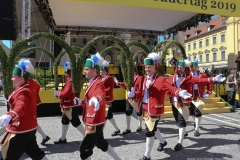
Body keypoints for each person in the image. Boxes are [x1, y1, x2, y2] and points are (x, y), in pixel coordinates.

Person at [129, 53, 192, 160]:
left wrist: (178, 92)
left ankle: (146, 156)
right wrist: (133, 94)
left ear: (154, 67)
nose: (147, 69)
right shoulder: (142, 79)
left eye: (149, 67)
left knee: (149, 131)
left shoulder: (160, 79)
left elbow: (169, 88)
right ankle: (163, 142)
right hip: (145, 108)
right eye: (146, 67)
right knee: (153, 128)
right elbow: (140, 93)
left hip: (155, 109)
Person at [167, 60, 226, 151]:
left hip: (184, 103)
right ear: (176, 68)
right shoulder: (171, 78)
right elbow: (167, 88)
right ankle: (184, 133)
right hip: (174, 102)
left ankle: (180, 142)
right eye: (178, 67)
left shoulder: (188, 77)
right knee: (178, 121)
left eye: (181, 68)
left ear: (184, 68)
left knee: (182, 121)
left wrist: (213, 79)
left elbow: (199, 80)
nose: (179, 69)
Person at [0, 59, 48, 160]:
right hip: (28, 129)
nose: (11, 79)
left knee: (6, 156)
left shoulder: (24, 92)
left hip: (20, 130)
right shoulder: (25, 87)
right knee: (37, 154)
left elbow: (20, 106)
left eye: (14, 76)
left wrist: (11, 114)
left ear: (21, 78)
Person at [80, 53, 121, 160]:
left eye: (87, 69)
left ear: (94, 70)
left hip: (95, 120)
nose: (85, 71)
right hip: (95, 118)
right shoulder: (92, 81)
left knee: (84, 150)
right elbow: (90, 98)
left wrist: (96, 99)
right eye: (85, 69)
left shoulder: (98, 82)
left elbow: (100, 94)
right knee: (101, 143)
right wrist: (80, 101)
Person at [54, 62, 85, 144]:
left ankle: (87, 136)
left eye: (65, 72)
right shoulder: (71, 80)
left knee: (75, 121)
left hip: (71, 104)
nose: (64, 74)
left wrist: (58, 94)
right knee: (65, 120)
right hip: (70, 104)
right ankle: (63, 138)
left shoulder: (70, 81)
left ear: (67, 73)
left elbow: (66, 93)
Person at [115, 64, 144, 135]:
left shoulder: (140, 78)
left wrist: (135, 93)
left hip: (136, 97)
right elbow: (126, 84)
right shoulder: (129, 79)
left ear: (134, 71)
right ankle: (128, 128)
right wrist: (118, 83)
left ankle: (140, 126)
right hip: (129, 97)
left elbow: (141, 89)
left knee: (139, 112)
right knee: (128, 111)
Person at [189, 59, 213, 137]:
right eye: (192, 67)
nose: (193, 68)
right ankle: (196, 123)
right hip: (190, 96)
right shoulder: (187, 75)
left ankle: (197, 130)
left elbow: (210, 82)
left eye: (195, 67)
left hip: (199, 95)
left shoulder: (203, 75)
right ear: (190, 68)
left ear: (197, 67)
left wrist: (208, 92)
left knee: (197, 112)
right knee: (191, 113)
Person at [99, 60, 121, 136]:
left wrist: (101, 91)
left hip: (108, 99)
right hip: (104, 99)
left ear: (105, 71)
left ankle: (100, 133)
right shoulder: (101, 78)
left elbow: (110, 89)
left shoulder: (109, 78)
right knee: (109, 115)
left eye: (101, 70)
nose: (100, 71)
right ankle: (117, 129)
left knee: (105, 116)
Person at [28, 79, 51, 145]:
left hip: (30, 104)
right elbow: (38, 87)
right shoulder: (33, 81)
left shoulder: (26, 82)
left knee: (30, 122)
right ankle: (44, 136)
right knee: (32, 121)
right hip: (34, 103)